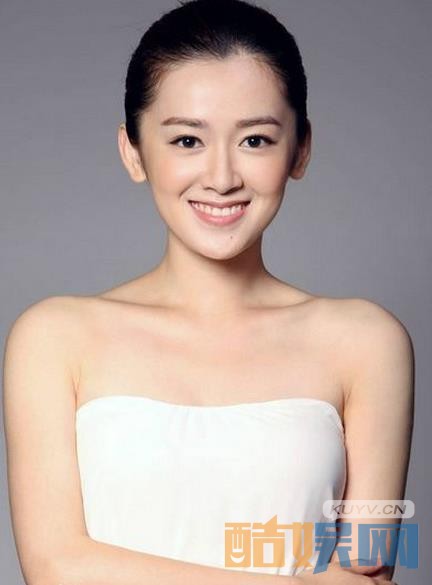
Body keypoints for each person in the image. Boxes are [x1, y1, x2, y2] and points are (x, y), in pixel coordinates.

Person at [3, 0, 414, 584]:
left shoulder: (369, 343)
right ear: (133, 152)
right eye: (187, 141)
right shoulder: (54, 339)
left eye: (256, 140)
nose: (221, 178)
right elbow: (54, 567)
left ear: (300, 149)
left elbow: (369, 566)